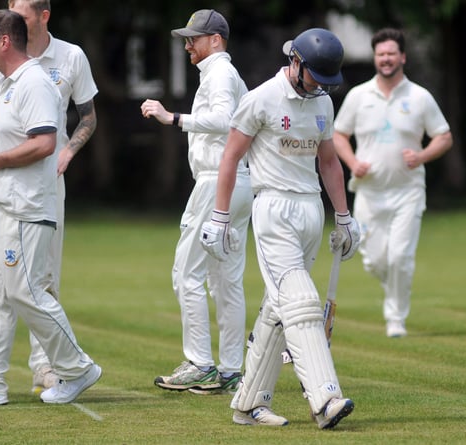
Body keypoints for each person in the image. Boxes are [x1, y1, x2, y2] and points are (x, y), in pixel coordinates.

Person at [0, 9, 100, 406]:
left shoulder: (34, 82)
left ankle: (77, 368)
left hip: (24, 209)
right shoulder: (7, 85)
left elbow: (45, 143)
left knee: (26, 292)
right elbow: (3, 142)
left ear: (4, 42)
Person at [201, 28, 360, 427]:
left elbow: (328, 163)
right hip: (273, 209)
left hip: (310, 209)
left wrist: (344, 217)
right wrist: (220, 217)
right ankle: (326, 400)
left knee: (279, 307)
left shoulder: (322, 101)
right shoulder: (260, 99)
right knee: (302, 301)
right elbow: (231, 158)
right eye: (315, 78)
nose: (319, 88)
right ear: (296, 62)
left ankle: (248, 403)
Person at [140, 9, 252, 394]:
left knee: (186, 273)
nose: (188, 44)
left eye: (195, 38)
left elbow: (225, 120)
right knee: (225, 281)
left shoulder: (219, 72)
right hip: (238, 182)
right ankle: (232, 370)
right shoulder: (222, 73)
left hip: (217, 182)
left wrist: (173, 118)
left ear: (215, 40)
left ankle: (201, 363)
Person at [333, 28, 453, 338]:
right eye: (380, 54)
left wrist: (422, 155)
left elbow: (444, 136)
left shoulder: (419, 96)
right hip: (369, 193)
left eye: (391, 53)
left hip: (407, 191)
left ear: (402, 57)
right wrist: (353, 163)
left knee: (400, 257)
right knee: (375, 261)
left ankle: (395, 318)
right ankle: (396, 284)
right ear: (375, 57)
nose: (386, 59)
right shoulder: (359, 96)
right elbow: (338, 135)